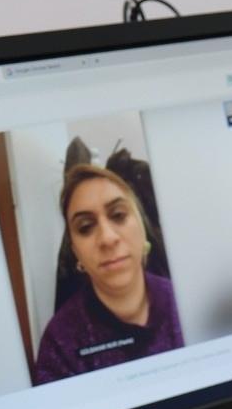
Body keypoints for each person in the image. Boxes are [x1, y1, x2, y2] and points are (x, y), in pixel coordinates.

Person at [30, 162, 185, 384]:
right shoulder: (60, 341)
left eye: (118, 215)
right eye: (85, 227)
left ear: (142, 227)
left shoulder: (185, 300)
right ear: (76, 252)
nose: (107, 238)